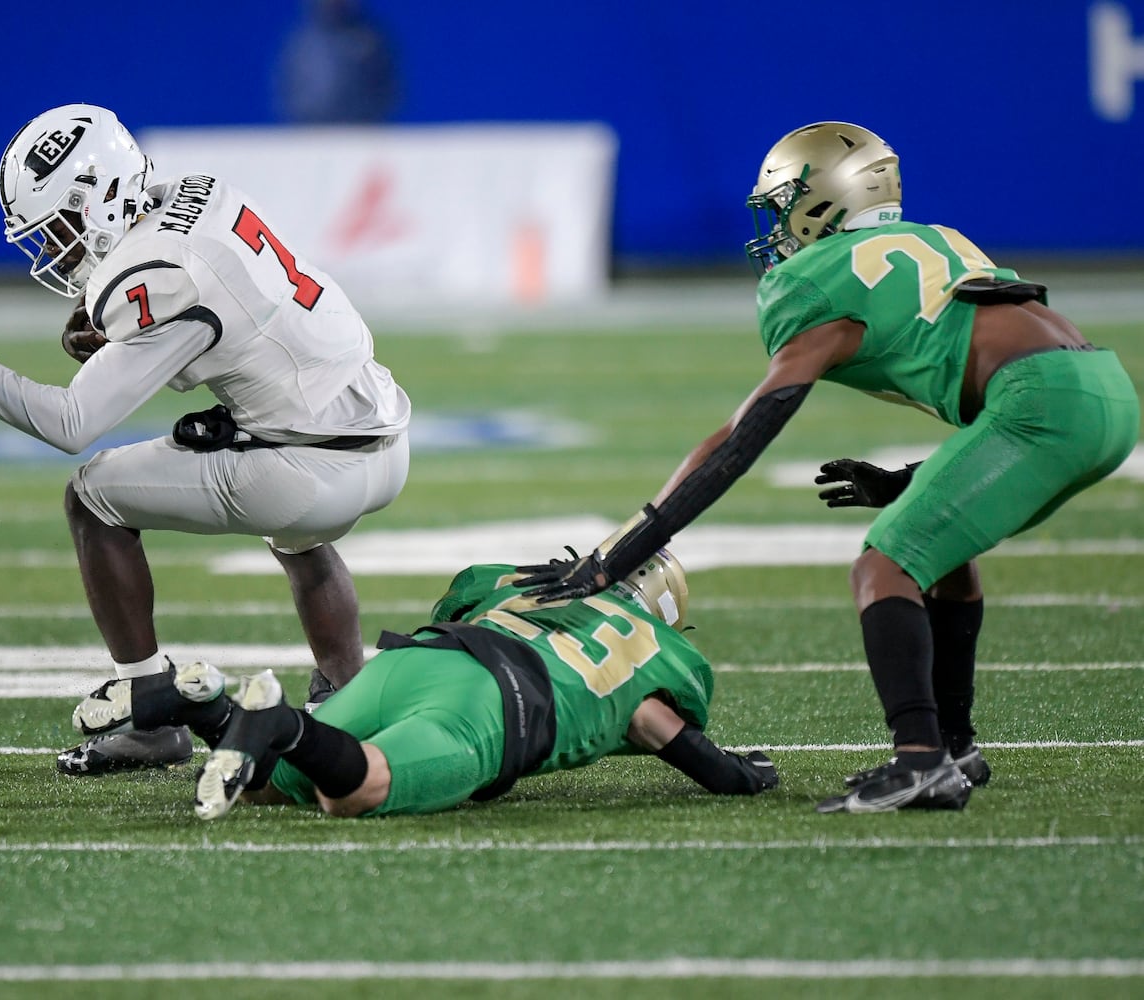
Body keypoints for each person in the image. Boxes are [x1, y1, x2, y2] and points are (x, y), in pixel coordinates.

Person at [516, 121, 1140, 815]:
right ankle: (954, 746)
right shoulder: (937, 240)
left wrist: (623, 550)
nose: (778, 228)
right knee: (942, 555)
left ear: (826, 200)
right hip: (1100, 390)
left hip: (1041, 403)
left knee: (884, 566)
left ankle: (920, 760)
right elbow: (993, 357)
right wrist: (909, 483)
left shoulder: (819, 278)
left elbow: (743, 435)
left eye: (784, 206)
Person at [0, 104, 411, 777]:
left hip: (311, 471)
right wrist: (119, 336)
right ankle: (344, 689)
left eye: (61, 226)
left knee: (92, 496)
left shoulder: (154, 274)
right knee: (297, 534)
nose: (56, 248)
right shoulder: (200, 195)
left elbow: (70, 423)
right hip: (378, 426)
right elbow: (226, 319)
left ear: (99, 198)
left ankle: (151, 714)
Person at [71, 545, 776, 819]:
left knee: (266, 784)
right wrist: (744, 777)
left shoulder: (521, 584)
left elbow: (455, 602)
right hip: (492, 709)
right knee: (353, 792)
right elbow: (671, 736)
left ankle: (206, 705)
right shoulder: (652, 652)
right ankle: (282, 720)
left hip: (423, 658)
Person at [274, 0, 400, 125]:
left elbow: (388, 84)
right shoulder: (302, 44)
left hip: (360, 130)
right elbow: (286, 86)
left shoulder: (370, 39)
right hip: (312, 131)